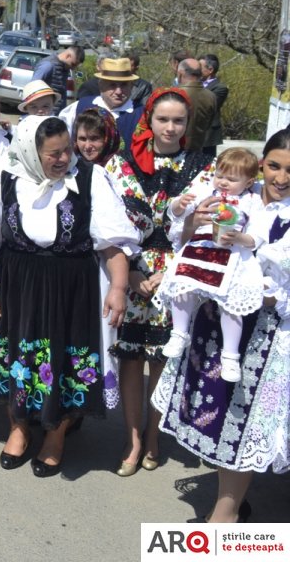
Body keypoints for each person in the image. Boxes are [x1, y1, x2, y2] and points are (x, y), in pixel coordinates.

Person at [0, 117, 138, 476]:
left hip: (72, 286)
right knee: (15, 353)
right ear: (31, 152)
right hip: (17, 282)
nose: (64, 158)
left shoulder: (91, 179)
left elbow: (112, 243)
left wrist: (119, 288)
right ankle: (18, 428)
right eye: (53, 153)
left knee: (64, 360)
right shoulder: (6, 180)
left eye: (67, 149)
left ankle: (56, 435)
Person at [152, 129, 290, 523]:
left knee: (243, 419)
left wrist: (255, 261)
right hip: (213, 319)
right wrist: (194, 219)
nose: (281, 178)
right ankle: (230, 501)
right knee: (214, 409)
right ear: (262, 164)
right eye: (275, 166)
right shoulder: (237, 190)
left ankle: (225, 515)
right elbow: (183, 236)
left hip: (264, 329)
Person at [106, 88, 214, 476]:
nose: (170, 127)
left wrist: (173, 270)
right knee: (131, 359)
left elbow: (206, 226)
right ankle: (132, 438)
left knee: (162, 359)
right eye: (163, 119)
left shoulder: (204, 165)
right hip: (130, 269)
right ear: (148, 120)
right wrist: (130, 271)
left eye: (178, 121)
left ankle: (154, 434)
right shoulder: (120, 164)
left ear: (188, 124)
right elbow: (110, 224)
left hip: (179, 272)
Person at [158, 149, 263, 382]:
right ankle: (179, 333)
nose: (223, 182)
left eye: (232, 179)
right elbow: (176, 212)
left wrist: (239, 238)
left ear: (249, 182)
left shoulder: (252, 201)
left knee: (231, 304)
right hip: (198, 250)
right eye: (220, 175)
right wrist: (179, 203)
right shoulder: (206, 190)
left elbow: (257, 236)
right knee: (182, 285)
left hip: (231, 258)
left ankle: (230, 355)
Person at [58, 58, 142, 143]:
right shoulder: (79, 107)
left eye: (124, 85)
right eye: (112, 85)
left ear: (131, 86)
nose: (118, 92)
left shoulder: (141, 114)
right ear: (101, 85)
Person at [175, 58, 217, 153]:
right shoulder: (211, 96)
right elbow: (209, 125)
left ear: (180, 73)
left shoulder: (174, 94)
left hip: (175, 151)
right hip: (198, 151)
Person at [31, 46, 83, 110]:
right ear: (68, 56)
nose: (73, 68)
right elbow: (33, 87)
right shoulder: (48, 65)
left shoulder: (64, 68)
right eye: (73, 64)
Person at [200, 54, 227, 156]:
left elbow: (207, 105)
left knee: (206, 166)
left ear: (210, 70)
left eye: (200, 67)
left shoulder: (220, 88)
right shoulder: (194, 84)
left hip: (208, 134)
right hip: (193, 133)